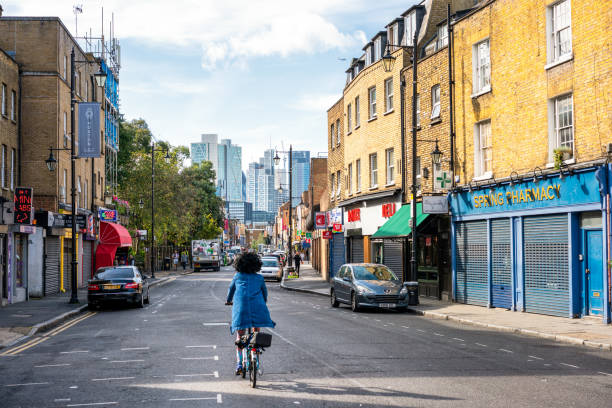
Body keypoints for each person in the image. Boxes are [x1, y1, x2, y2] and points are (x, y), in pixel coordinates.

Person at [225, 252, 275, 375]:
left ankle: (239, 364)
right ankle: (256, 358)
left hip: (241, 310)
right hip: (258, 308)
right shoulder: (259, 278)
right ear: (256, 265)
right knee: (256, 333)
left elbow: (231, 291)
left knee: (240, 337)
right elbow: (265, 294)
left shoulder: (237, 276)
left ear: (239, 265)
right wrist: (263, 302)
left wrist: (228, 301)